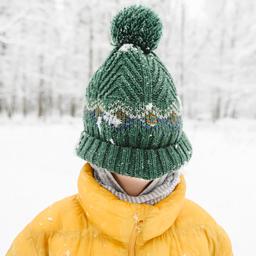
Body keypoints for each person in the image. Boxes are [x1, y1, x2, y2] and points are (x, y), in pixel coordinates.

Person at [6, 4, 233, 256]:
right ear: (101, 155)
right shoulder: (46, 237)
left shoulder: (206, 236)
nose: (141, 175)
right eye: (125, 162)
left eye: (155, 161)